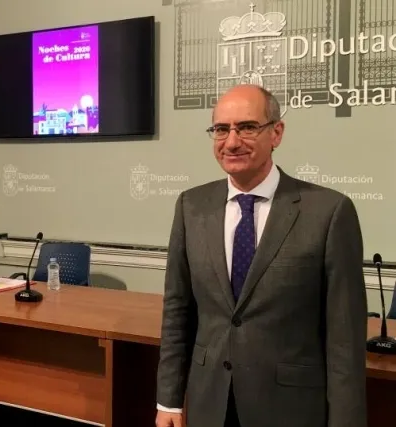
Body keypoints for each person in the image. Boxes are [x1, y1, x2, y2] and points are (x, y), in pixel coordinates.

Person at [154, 84, 367, 427]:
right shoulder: (191, 206)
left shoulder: (329, 212)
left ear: (276, 133)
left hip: (290, 410)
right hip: (210, 405)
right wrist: (169, 402)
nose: (232, 141)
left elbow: (345, 339)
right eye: (221, 129)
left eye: (247, 127)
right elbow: (178, 312)